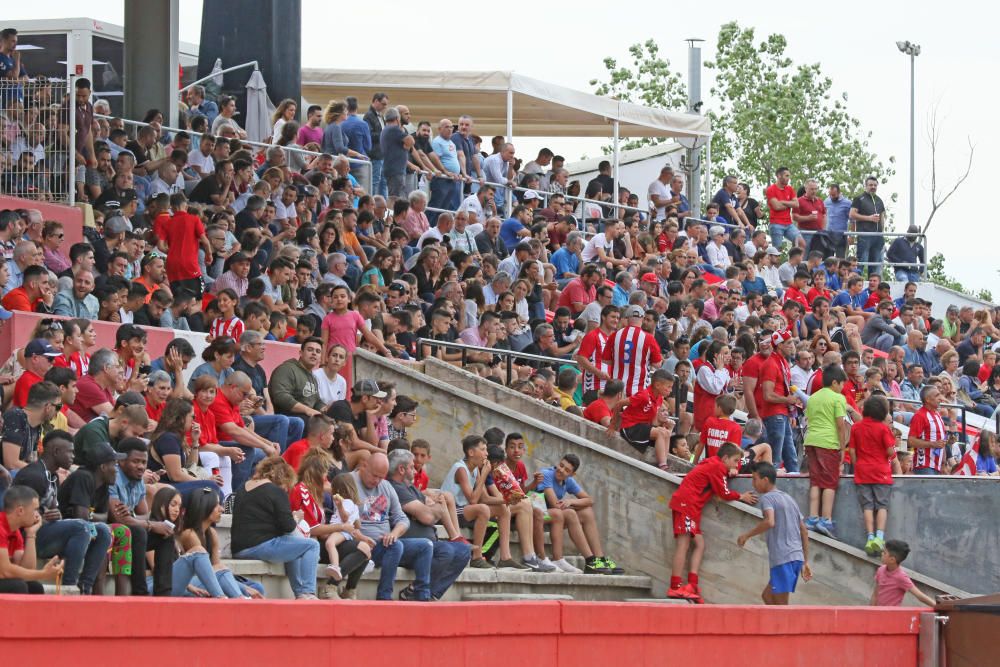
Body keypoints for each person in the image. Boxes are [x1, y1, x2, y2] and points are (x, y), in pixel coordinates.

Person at [667, 442, 757, 602]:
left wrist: (730, 472)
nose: (737, 465)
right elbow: (724, 492)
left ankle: (692, 585)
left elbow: (717, 479)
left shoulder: (714, 463)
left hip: (690, 507)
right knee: (684, 544)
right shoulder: (717, 467)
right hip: (686, 505)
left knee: (699, 545)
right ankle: (675, 587)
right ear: (725, 458)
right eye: (735, 461)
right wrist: (741, 496)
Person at [231, 457, 321, 600]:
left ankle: (301, 594)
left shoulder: (243, 487)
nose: (286, 490)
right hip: (259, 546)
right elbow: (289, 527)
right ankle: (308, 592)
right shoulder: (275, 491)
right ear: (283, 479)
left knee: (294, 545)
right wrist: (296, 517)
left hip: (239, 548)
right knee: (312, 546)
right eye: (287, 487)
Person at [387, 448, 472, 600]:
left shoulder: (410, 487)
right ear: (401, 469)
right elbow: (428, 516)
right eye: (412, 467)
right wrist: (434, 508)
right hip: (409, 547)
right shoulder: (395, 488)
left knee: (464, 550)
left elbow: (430, 511)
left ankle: (427, 593)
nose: (415, 470)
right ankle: (419, 590)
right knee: (445, 550)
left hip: (428, 544)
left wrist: (429, 510)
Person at [353, 452, 436, 600]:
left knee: (426, 545)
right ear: (365, 466)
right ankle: (384, 596)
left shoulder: (386, 486)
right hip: (364, 544)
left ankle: (422, 596)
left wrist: (394, 533)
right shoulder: (350, 482)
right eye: (374, 475)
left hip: (386, 542)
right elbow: (342, 519)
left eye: (381, 477)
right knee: (395, 546)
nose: (377, 481)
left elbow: (402, 519)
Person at [439, 435, 526, 570]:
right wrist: (485, 474)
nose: (486, 453)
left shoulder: (475, 469)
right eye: (483, 449)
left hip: (464, 510)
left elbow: (483, 498)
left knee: (504, 509)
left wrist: (508, 499)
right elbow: (473, 500)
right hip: (450, 511)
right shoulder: (461, 469)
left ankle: (505, 557)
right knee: (483, 509)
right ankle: (477, 556)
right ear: (471, 453)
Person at [737, 462, 812, 605]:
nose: (753, 484)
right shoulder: (789, 499)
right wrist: (805, 561)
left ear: (765, 480)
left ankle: (787, 627)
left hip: (783, 558)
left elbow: (770, 522)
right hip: (794, 558)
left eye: (755, 479)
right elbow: (804, 530)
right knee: (767, 597)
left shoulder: (767, 498)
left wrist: (746, 535)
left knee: (781, 607)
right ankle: (776, 627)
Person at [536, 453, 624, 575]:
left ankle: (599, 558)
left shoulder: (569, 481)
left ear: (572, 474)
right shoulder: (547, 474)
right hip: (538, 514)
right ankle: (590, 560)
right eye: (561, 465)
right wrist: (570, 505)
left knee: (587, 512)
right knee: (571, 513)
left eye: (566, 470)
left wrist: (571, 501)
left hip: (556, 516)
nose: (561, 470)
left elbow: (590, 500)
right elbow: (556, 504)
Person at [848, 395, 900, 557]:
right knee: (882, 505)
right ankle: (879, 536)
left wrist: (857, 466)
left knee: (868, 506)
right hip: (881, 472)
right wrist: (890, 457)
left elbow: (852, 451)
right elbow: (891, 451)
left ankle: (869, 537)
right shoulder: (883, 429)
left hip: (862, 471)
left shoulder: (857, 427)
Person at [802, 365, 849, 539]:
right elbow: (840, 425)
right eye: (842, 384)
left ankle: (813, 517)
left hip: (811, 440)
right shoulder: (838, 398)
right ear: (835, 382)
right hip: (828, 442)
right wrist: (842, 448)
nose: (843, 388)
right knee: (830, 481)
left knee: (815, 480)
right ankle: (826, 519)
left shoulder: (813, 398)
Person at [0, 486, 65, 595]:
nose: (38, 514)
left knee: (34, 587)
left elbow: (27, 569)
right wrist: (43, 574)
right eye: (35, 509)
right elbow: (5, 571)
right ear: (20, 510)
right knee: (17, 586)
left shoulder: (14, 531)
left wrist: (31, 534)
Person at [608, 369, 676, 471]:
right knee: (661, 433)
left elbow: (653, 422)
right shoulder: (643, 396)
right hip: (630, 427)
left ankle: (664, 461)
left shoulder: (660, 398)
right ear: (657, 385)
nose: (670, 390)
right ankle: (662, 465)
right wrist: (613, 426)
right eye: (668, 387)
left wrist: (664, 424)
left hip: (642, 427)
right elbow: (619, 404)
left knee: (665, 432)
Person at [603, 304, 663, 397]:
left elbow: (605, 360)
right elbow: (658, 364)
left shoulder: (615, 335)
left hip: (616, 388)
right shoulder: (648, 338)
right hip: (638, 390)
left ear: (627, 318)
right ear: (642, 318)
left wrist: (619, 362)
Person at [870, 540, 935, 607]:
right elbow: (875, 594)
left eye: (884, 552)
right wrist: (870, 612)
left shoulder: (901, 577)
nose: (882, 554)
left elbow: (919, 595)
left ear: (892, 560)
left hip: (890, 616)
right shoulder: (880, 570)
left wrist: (938, 606)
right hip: (877, 614)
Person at [907, 386, 949, 476]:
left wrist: (943, 463)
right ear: (928, 399)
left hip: (937, 465)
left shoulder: (937, 414)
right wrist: (932, 444)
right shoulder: (920, 416)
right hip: (924, 465)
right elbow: (911, 441)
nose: (940, 398)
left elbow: (941, 441)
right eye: (937, 395)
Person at [849, 176, 887, 277]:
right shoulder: (859, 198)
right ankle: (857, 282)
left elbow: (882, 217)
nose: (873, 187)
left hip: (878, 236)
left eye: (875, 185)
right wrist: (869, 218)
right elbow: (852, 214)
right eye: (870, 185)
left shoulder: (879, 200)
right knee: (862, 261)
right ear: (865, 186)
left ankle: (873, 286)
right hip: (864, 235)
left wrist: (882, 233)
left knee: (875, 265)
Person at [694, 394, 743, 463]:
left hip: (709, 464)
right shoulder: (736, 428)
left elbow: (700, 445)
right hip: (726, 467)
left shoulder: (709, 421)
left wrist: (693, 462)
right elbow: (736, 452)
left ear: (719, 408)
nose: (713, 409)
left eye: (715, 406)